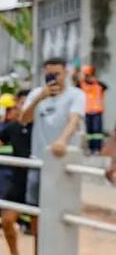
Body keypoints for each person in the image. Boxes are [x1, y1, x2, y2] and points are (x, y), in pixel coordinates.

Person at [22, 57, 87, 206]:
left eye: (57, 74)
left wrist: (62, 141)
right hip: (38, 158)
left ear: (66, 72)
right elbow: (24, 119)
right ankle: (35, 231)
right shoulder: (36, 94)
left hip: (65, 159)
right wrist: (39, 98)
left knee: (65, 204)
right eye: (49, 74)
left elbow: (74, 120)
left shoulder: (76, 95)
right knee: (35, 205)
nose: (54, 78)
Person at [0, 101, 33, 255]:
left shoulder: (40, 128)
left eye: (23, 105)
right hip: (18, 180)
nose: (20, 109)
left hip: (37, 180)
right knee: (6, 220)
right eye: (17, 106)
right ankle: (14, 254)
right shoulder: (12, 127)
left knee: (37, 227)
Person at [80, 65, 108, 155]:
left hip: (97, 112)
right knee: (89, 131)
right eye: (86, 75)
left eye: (89, 75)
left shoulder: (99, 85)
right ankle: (90, 148)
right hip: (87, 112)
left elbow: (105, 86)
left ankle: (97, 148)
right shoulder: (81, 85)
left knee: (97, 131)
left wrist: (95, 81)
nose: (88, 77)